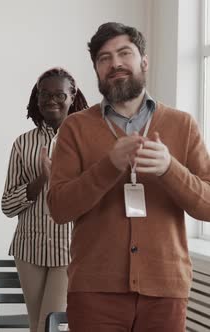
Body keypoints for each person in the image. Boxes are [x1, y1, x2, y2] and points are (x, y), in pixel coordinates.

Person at [47, 22, 210, 332]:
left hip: (166, 290)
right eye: (104, 58)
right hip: (94, 290)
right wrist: (109, 165)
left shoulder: (183, 125)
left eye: (124, 53)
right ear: (96, 69)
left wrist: (169, 169)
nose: (115, 63)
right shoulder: (75, 128)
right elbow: (58, 208)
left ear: (143, 61)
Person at [1, 67, 88, 332]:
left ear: (72, 96)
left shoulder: (85, 141)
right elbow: (7, 205)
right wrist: (41, 179)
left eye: (59, 95)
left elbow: (93, 196)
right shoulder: (22, 144)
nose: (51, 100)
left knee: (51, 323)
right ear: (36, 99)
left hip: (69, 248)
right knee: (36, 323)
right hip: (29, 249)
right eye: (44, 95)